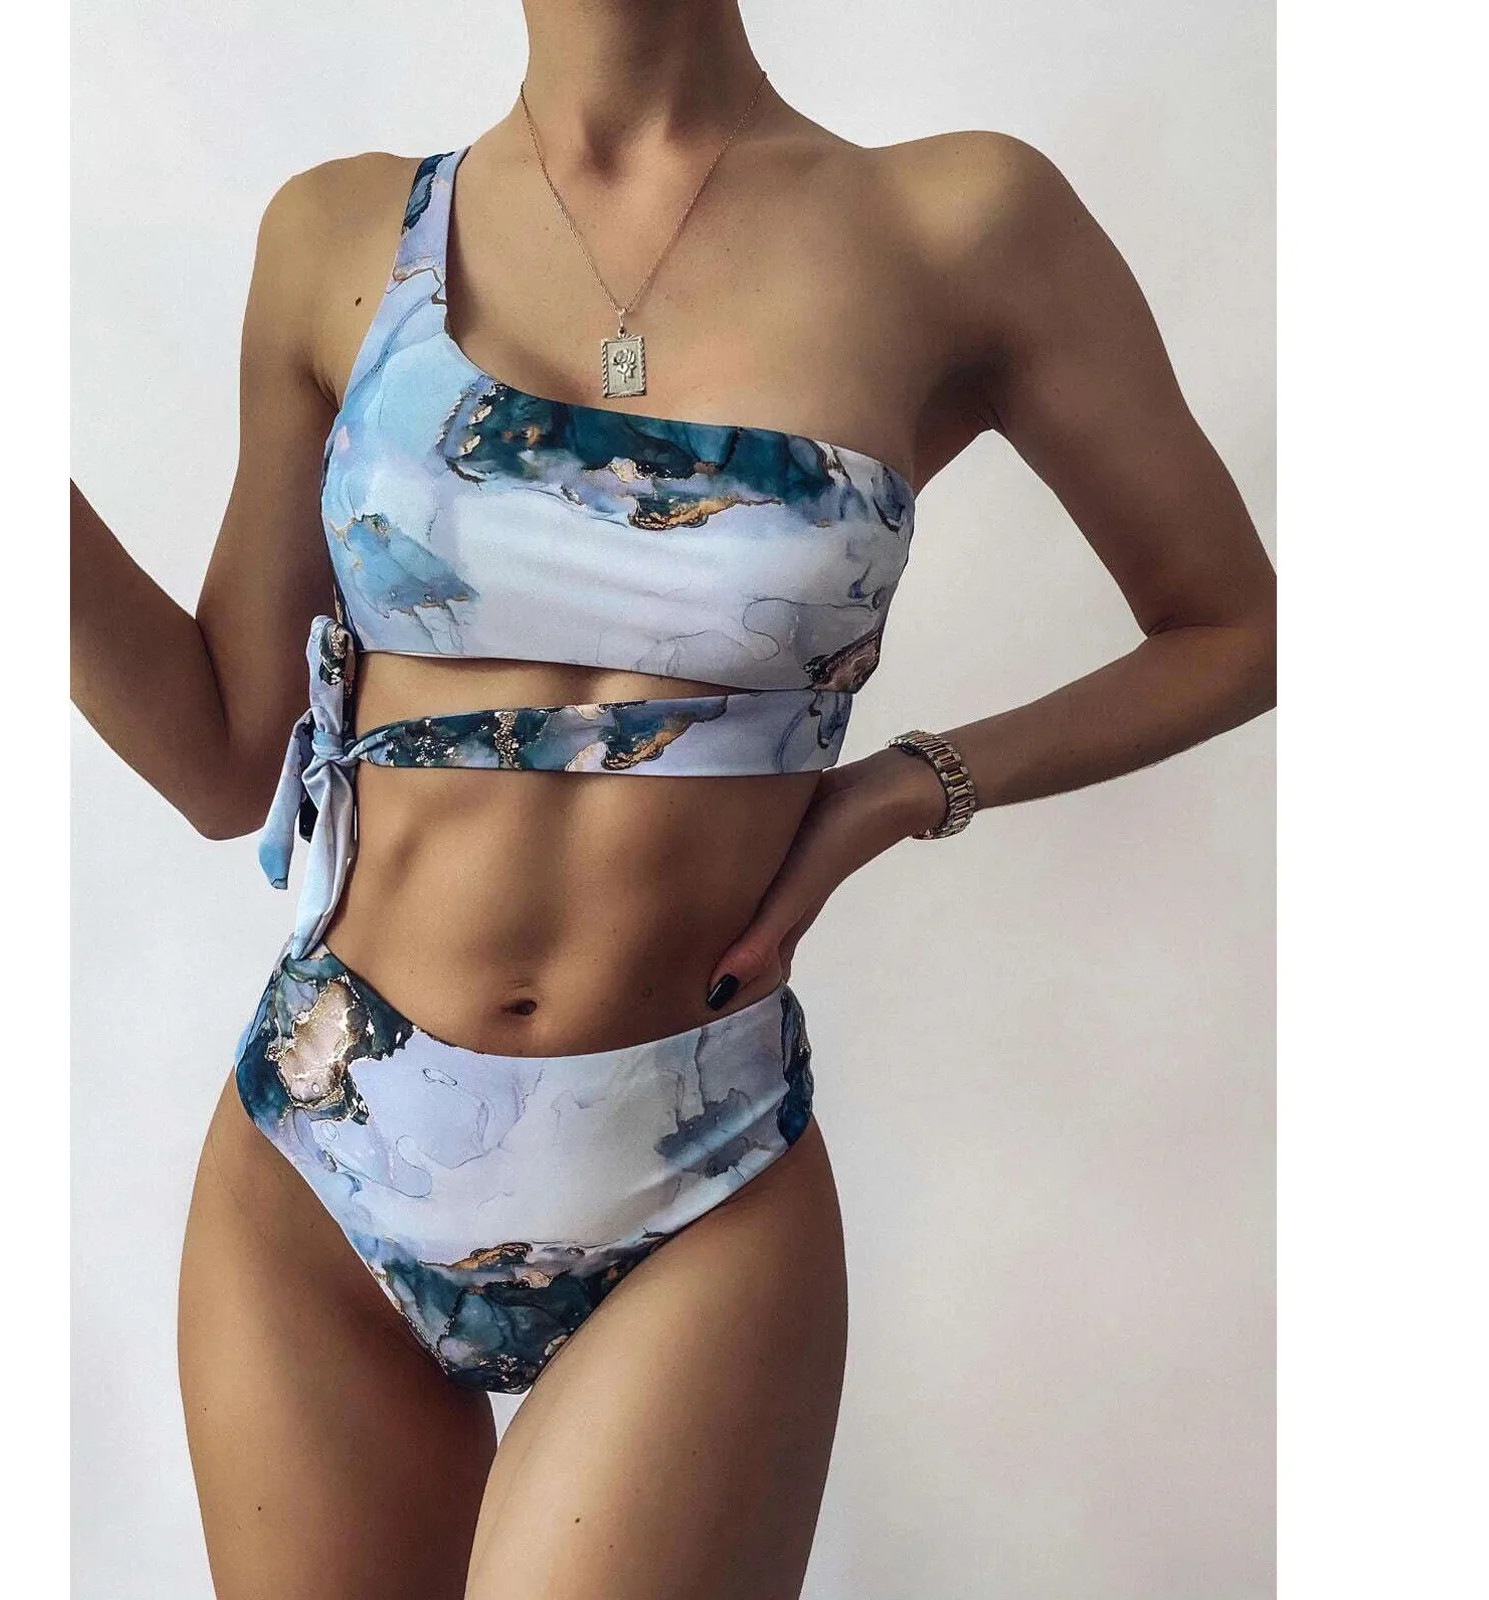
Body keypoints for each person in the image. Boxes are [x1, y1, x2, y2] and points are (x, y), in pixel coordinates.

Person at [70, 2, 1275, 1595]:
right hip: (322, 1158)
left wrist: (905, 788)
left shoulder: (957, 225)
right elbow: (228, 763)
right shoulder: (338, 236)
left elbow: (1236, 626)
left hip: (693, 1177)